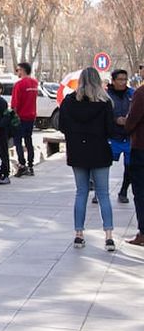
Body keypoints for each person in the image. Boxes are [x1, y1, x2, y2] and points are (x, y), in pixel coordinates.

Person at [58, 67, 117, 251]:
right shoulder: (105, 102)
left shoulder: (69, 101)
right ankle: (108, 236)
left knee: (81, 192)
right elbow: (111, 129)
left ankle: (78, 234)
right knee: (103, 194)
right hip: (99, 151)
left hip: (77, 152)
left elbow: (61, 125)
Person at [107, 69, 134, 203]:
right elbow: (103, 114)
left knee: (130, 167)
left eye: (125, 79)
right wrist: (115, 119)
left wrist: (130, 120)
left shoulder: (132, 94)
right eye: (120, 79)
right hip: (112, 137)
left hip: (129, 137)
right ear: (113, 81)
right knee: (104, 165)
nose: (123, 82)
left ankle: (123, 191)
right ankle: (101, 191)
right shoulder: (106, 95)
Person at [124, 79, 144, 246]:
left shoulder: (141, 93)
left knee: (141, 191)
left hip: (141, 147)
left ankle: (143, 232)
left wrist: (125, 125)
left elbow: (132, 120)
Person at [11, 62, 39, 177]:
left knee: (18, 141)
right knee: (28, 140)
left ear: (22, 70)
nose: (17, 72)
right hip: (31, 116)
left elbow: (15, 102)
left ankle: (22, 165)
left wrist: (13, 115)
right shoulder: (35, 83)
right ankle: (31, 166)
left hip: (20, 117)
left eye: (18, 70)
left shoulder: (19, 84)